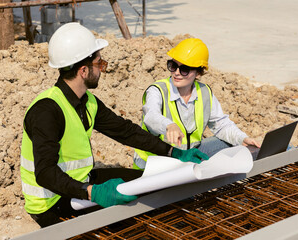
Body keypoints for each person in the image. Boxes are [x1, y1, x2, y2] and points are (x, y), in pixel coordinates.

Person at [20, 23, 209, 228]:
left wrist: (173, 152)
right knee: (131, 218)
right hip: (52, 203)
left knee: (152, 187)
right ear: (83, 71)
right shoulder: (47, 111)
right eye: (99, 64)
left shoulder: (87, 101)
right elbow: (45, 173)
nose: (102, 69)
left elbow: (126, 132)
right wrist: (93, 192)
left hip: (80, 182)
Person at [133, 38, 260, 170]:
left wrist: (242, 139)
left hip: (187, 157)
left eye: (184, 69)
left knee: (232, 144)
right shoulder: (157, 90)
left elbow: (221, 125)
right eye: (173, 65)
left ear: (198, 73)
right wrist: (168, 125)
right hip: (154, 163)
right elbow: (151, 116)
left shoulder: (204, 93)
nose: (176, 72)